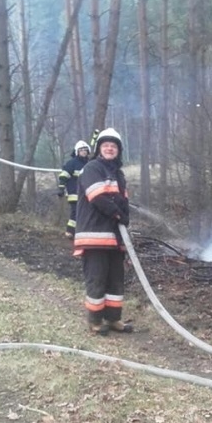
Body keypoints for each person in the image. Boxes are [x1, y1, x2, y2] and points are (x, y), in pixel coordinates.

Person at [73, 128, 133, 335]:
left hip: (115, 237)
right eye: (106, 145)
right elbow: (98, 197)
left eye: (113, 146)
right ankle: (95, 322)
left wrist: (125, 218)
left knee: (115, 279)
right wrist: (118, 214)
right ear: (99, 149)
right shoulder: (92, 168)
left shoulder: (118, 174)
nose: (109, 148)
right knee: (97, 279)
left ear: (118, 150)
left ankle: (114, 319)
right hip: (95, 235)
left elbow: (123, 201)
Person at [57, 140, 91, 238]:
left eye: (85, 150)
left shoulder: (89, 164)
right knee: (76, 212)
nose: (84, 152)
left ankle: (80, 231)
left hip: (86, 194)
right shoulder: (72, 163)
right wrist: (61, 188)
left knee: (85, 212)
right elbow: (64, 175)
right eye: (81, 150)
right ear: (77, 152)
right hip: (74, 193)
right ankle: (70, 232)